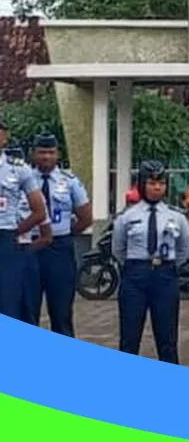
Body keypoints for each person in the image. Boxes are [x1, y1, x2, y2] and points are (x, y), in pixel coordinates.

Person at [111, 160, 189, 364]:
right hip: (135, 277)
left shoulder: (176, 216)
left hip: (165, 276)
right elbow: (118, 249)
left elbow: (184, 249)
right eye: (151, 183)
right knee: (130, 337)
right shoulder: (127, 216)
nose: (157, 188)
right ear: (141, 185)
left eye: (161, 183)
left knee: (167, 338)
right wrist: (137, 266)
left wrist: (167, 267)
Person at [30, 132, 92, 336]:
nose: (46, 157)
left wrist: (65, 233)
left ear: (58, 154)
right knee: (27, 312)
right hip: (31, 248)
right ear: (33, 154)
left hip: (60, 249)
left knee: (61, 312)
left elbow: (85, 217)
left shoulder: (70, 181)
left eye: (50, 152)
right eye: (41, 152)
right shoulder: (24, 179)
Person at [0, 140, 48, 321]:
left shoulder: (19, 170)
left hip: (5, 239)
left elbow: (39, 211)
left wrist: (14, 232)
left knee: (8, 304)